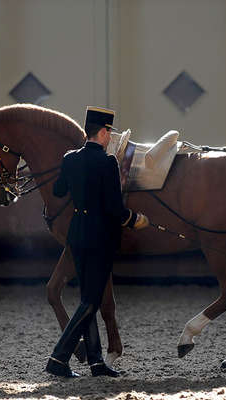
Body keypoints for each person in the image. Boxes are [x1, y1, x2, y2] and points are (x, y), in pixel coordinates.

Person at [46, 106, 149, 378]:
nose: (109, 138)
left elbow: (58, 191)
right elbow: (115, 209)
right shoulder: (107, 163)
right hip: (100, 238)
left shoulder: (70, 159)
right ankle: (58, 358)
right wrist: (134, 218)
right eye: (109, 134)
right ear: (103, 132)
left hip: (77, 235)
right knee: (90, 302)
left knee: (86, 298)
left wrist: (68, 167)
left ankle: (95, 362)